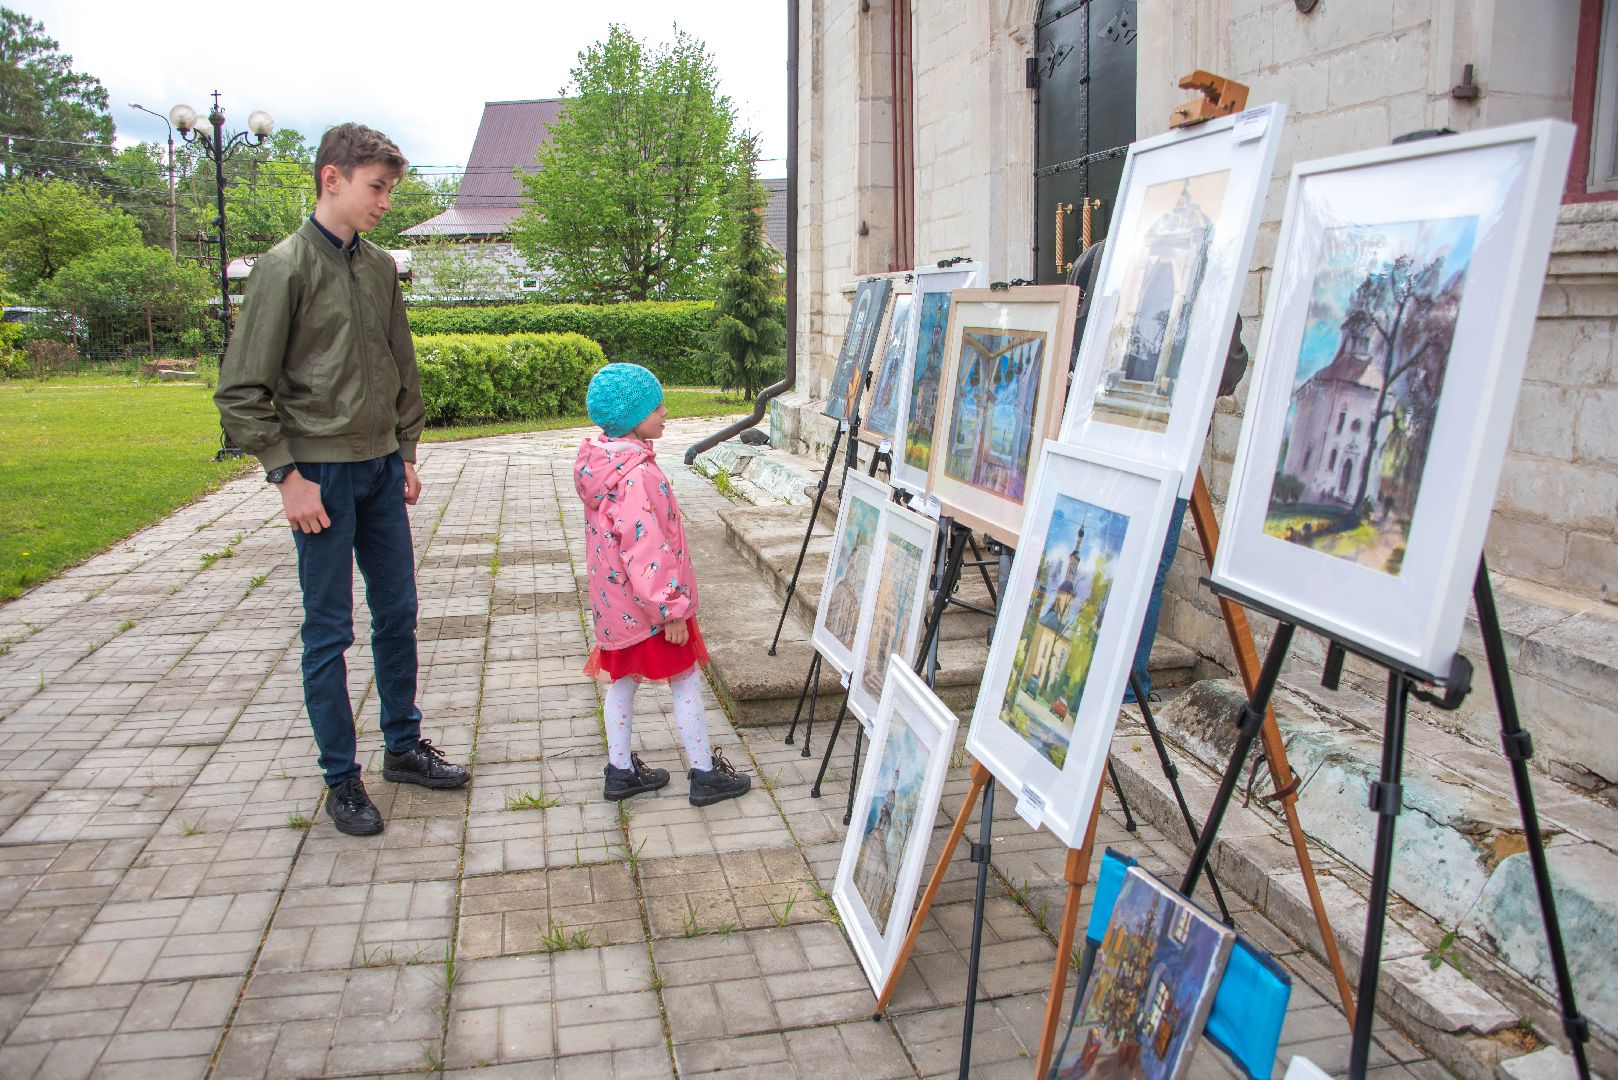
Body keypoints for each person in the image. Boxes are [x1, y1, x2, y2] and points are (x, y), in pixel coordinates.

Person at [214, 123, 469, 837]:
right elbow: (240, 390)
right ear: (333, 178)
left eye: (390, 189)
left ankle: (403, 747)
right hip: (319, 476)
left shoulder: (382, 267)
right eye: (376, 188)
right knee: (329, 632)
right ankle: (341, 779)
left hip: (382, 470)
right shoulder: (284, 267)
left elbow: (400, 364)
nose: (386, 202)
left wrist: (407, 450)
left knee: (398, 615)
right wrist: (286, 475)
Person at [574, 363, 751, 806]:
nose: (666, 412)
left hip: (618, 608)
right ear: (632, 417)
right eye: (656, 407)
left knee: (624, 683)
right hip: (652, 609)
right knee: (686, 681)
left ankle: (619, 771)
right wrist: (671, 609)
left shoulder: (603, 465)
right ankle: (704, 774)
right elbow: (645, 549)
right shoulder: (637, 474)